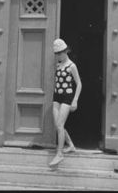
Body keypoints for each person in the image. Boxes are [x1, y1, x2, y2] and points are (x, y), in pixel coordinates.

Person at [49, 38, 82, 167]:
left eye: (59, 53)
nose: (57, 56)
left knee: (60, 125)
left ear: (65, 51)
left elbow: (79, 83)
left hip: (67, 96)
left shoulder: (71, 66)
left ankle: (59, 154)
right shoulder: (58, 64)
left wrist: (75, 100)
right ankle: (71, 145)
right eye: (56, 54)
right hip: (57, 96)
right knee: (58, 124)